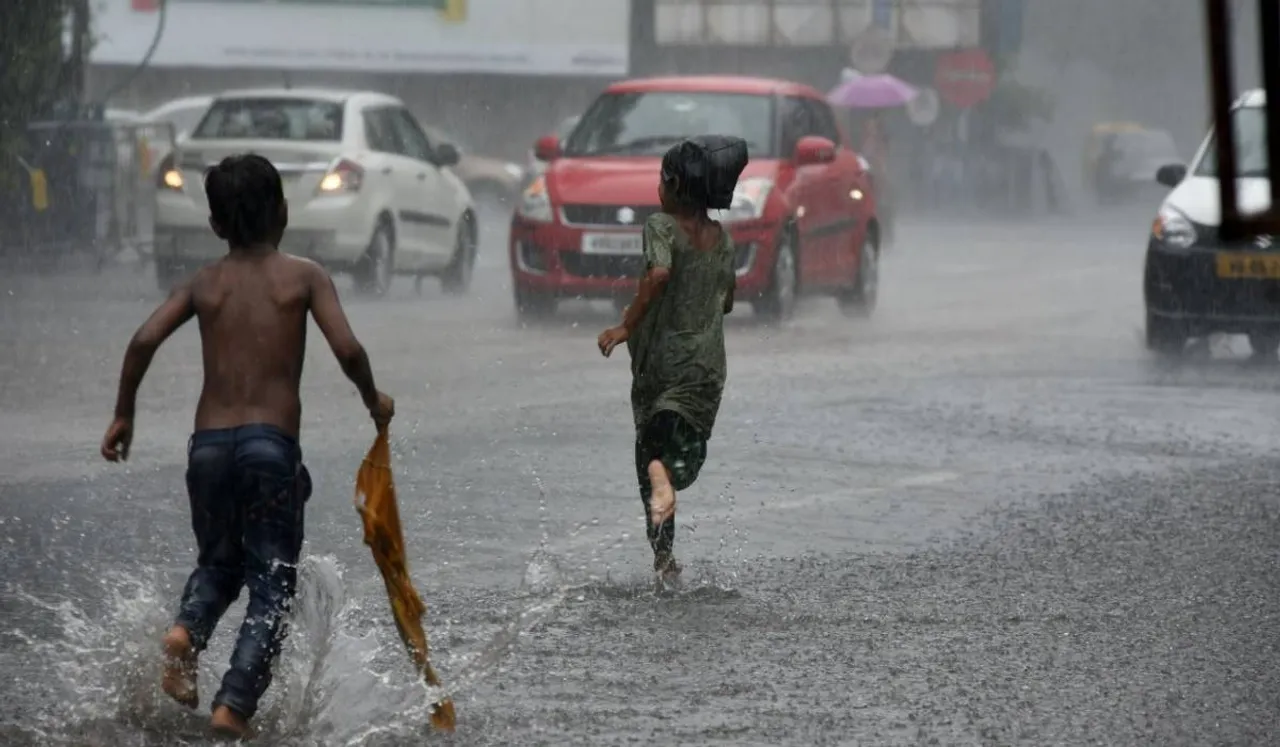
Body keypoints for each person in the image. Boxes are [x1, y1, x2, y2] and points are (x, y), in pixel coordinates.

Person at [99, 154, 394, 739]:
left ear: (215, 225)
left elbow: (142, 340)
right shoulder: (305, 277)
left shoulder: (204, 283)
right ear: (283, 212)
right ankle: (233, 706)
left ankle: (185, 633)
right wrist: (372, 398)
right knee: (271, 584)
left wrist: (123, 414)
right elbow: (348, 350)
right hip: (270, 449)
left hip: (207, 448)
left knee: (218, 563)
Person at [597, 136, 747, 584]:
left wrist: (626, 325)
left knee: (650, 456)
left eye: (661, 180)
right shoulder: (723, 240)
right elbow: (726, 301)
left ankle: (663, 557)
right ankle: (666, 533)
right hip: (706, 369)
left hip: (663, 364)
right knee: (684, 449)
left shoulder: (661, 226)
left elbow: (659, 272)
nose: (657, 188)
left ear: (676, 185)